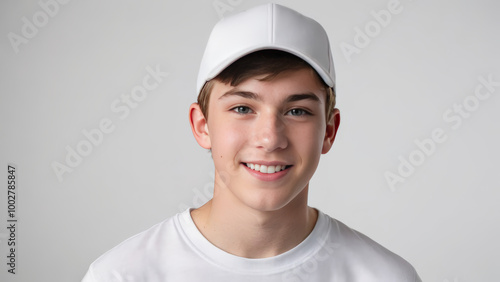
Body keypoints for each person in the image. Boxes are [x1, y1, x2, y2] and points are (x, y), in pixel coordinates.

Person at [82, 3, 421, 281]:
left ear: (329, 131)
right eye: (243, 108)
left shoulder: (384, 276)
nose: (270, 138)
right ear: (202, 126)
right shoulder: (122, 275)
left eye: (298, 111)